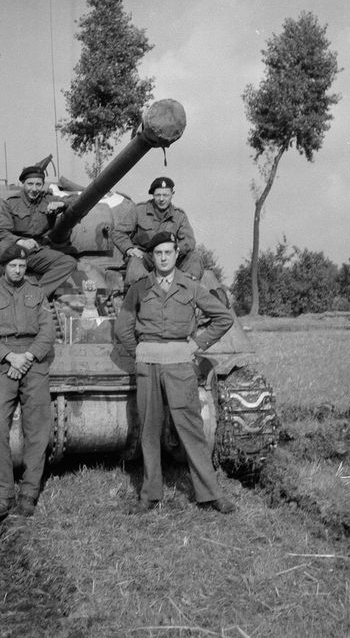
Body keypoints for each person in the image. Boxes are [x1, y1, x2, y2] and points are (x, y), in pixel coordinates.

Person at [114, 231, 236, 514]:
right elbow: (123, 327)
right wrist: (140, 350)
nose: (164, 257)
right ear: (152, 256)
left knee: (191, 429)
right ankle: (150, 495)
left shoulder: (190, 287)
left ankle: (211, 493)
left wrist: (196, 344)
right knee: (149, 430)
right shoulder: (139, 288)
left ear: (176, 253)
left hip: (180, 365)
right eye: (158, 253)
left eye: (168, 252)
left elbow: (223, 317)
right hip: (148, 365)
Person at [0, 241, 55, 520]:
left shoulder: (37, 292)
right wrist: (11, 357)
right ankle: (2, 494)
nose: (19, 270)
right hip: (2, 362)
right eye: (13, 265)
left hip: (32, 361)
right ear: (3, 267)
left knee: (37, 428)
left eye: (22, 265)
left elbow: (47, 331)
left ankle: (29, 492)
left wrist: (27, 357)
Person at [0, 165, 77, 298]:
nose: (34, 189)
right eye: (30, 184)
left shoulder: (48, 199)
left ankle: (35, 296)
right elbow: (1, 232)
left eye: (38, 184)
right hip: (14, 249)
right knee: (2, 248)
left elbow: (76, 199)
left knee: (69, 262)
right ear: (23, 184)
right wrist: (20, 241)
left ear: (43, 185)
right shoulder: (11, 203)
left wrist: (62, 204)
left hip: (37, 250)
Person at [111, 176, 203, 286]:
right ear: (153, 195)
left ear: (172, 194)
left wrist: (174, 250)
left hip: (170, 259)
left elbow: (189, 241)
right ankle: (142, 293)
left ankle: (187, 290)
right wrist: (129, 249)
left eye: (165, 195)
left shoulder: (179, 216)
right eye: (158, 195)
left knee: (194, 257)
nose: (162, 199)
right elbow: (118, 232)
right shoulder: (139, 210)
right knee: (135, 261)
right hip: (146, 257)